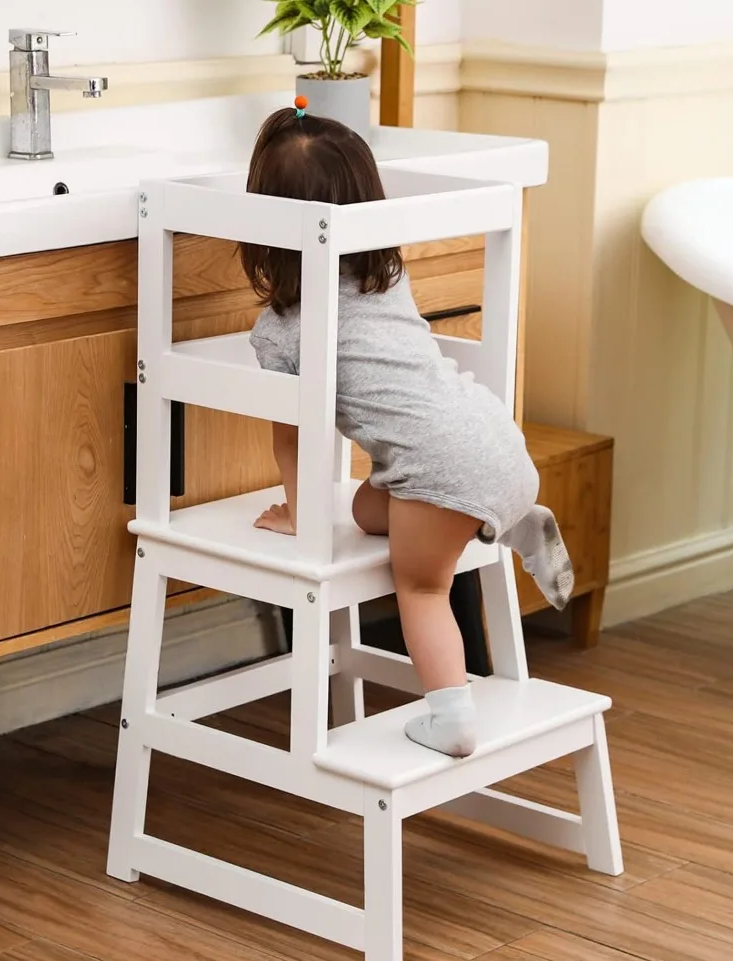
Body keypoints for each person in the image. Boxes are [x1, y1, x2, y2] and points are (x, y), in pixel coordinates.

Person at [241, 103, 573, 758]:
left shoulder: (280, 332)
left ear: (261, 226)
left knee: (421, 585)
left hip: (441, 471)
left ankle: (451, 715)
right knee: (367, 509)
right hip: (493, 441)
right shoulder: (386, 283)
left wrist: (301, 517)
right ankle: (514, 517)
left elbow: (295, 441)